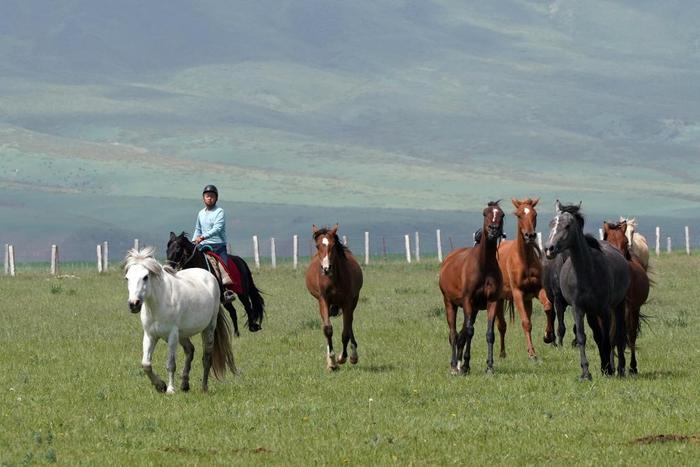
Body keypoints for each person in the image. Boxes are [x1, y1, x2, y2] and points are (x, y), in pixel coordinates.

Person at [193, 184, 229, 264]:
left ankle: (228, 276)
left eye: (212, 196)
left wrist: (203, 237)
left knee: (225, 267)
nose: (209, 198)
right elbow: (198, 229)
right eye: (207, 196)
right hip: (202, 246)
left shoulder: (219, 211)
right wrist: (193, 241)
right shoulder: (200, 213)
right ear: (203, 198)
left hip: (218, 246)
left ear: (216, 198)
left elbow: (217, 229)